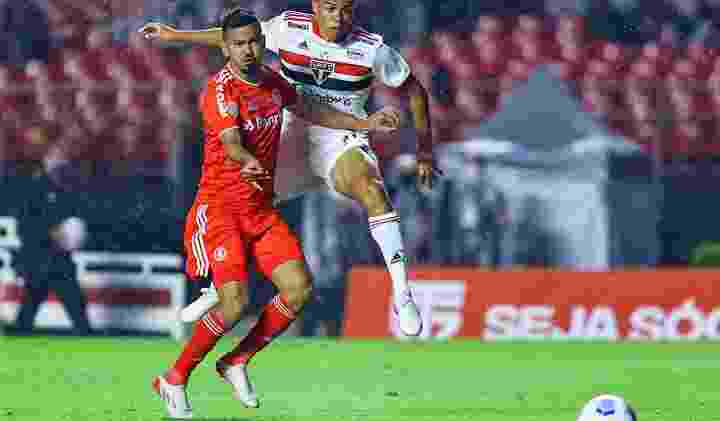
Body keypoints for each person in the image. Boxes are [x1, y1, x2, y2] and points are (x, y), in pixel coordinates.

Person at [139, 0, 441, 337]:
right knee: (238, 204)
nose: (338, 17)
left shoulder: (371, 49)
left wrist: (425, 150)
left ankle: (402, 294)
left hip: (340, 135)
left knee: (373, 192)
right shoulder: (288, 27)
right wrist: (176, 34)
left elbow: (414, 88)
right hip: (286, 133)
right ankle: (216, 285)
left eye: (345, 9)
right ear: (315, 6)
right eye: (330, 8)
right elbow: (234, 36)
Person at [151, 11, 400, 418]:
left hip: (260, 212)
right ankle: (174, 378)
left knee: (299, 289)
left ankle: (235, 360)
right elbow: (230, 139)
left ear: (262, 43)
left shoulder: (271, 82)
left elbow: (310, 109)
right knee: (235, 303)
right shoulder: (219, 90)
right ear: (226, 48)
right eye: (239, 44)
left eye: (254, 42)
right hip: (221, 211)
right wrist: (246, 159)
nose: (248, 49)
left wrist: (364, 122)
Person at [10, 127, 92, 336]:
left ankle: (85, 335)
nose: (60, 162)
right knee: (30, 307)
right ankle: (19, 333)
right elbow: (24, 225)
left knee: (77, 310)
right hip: (38, 258)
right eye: (56, 156)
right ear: (47, 160)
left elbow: (75, 220)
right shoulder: (34, 188)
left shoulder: (67, 189)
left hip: (60, 259)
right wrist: (49, 232)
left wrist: (73, 235)